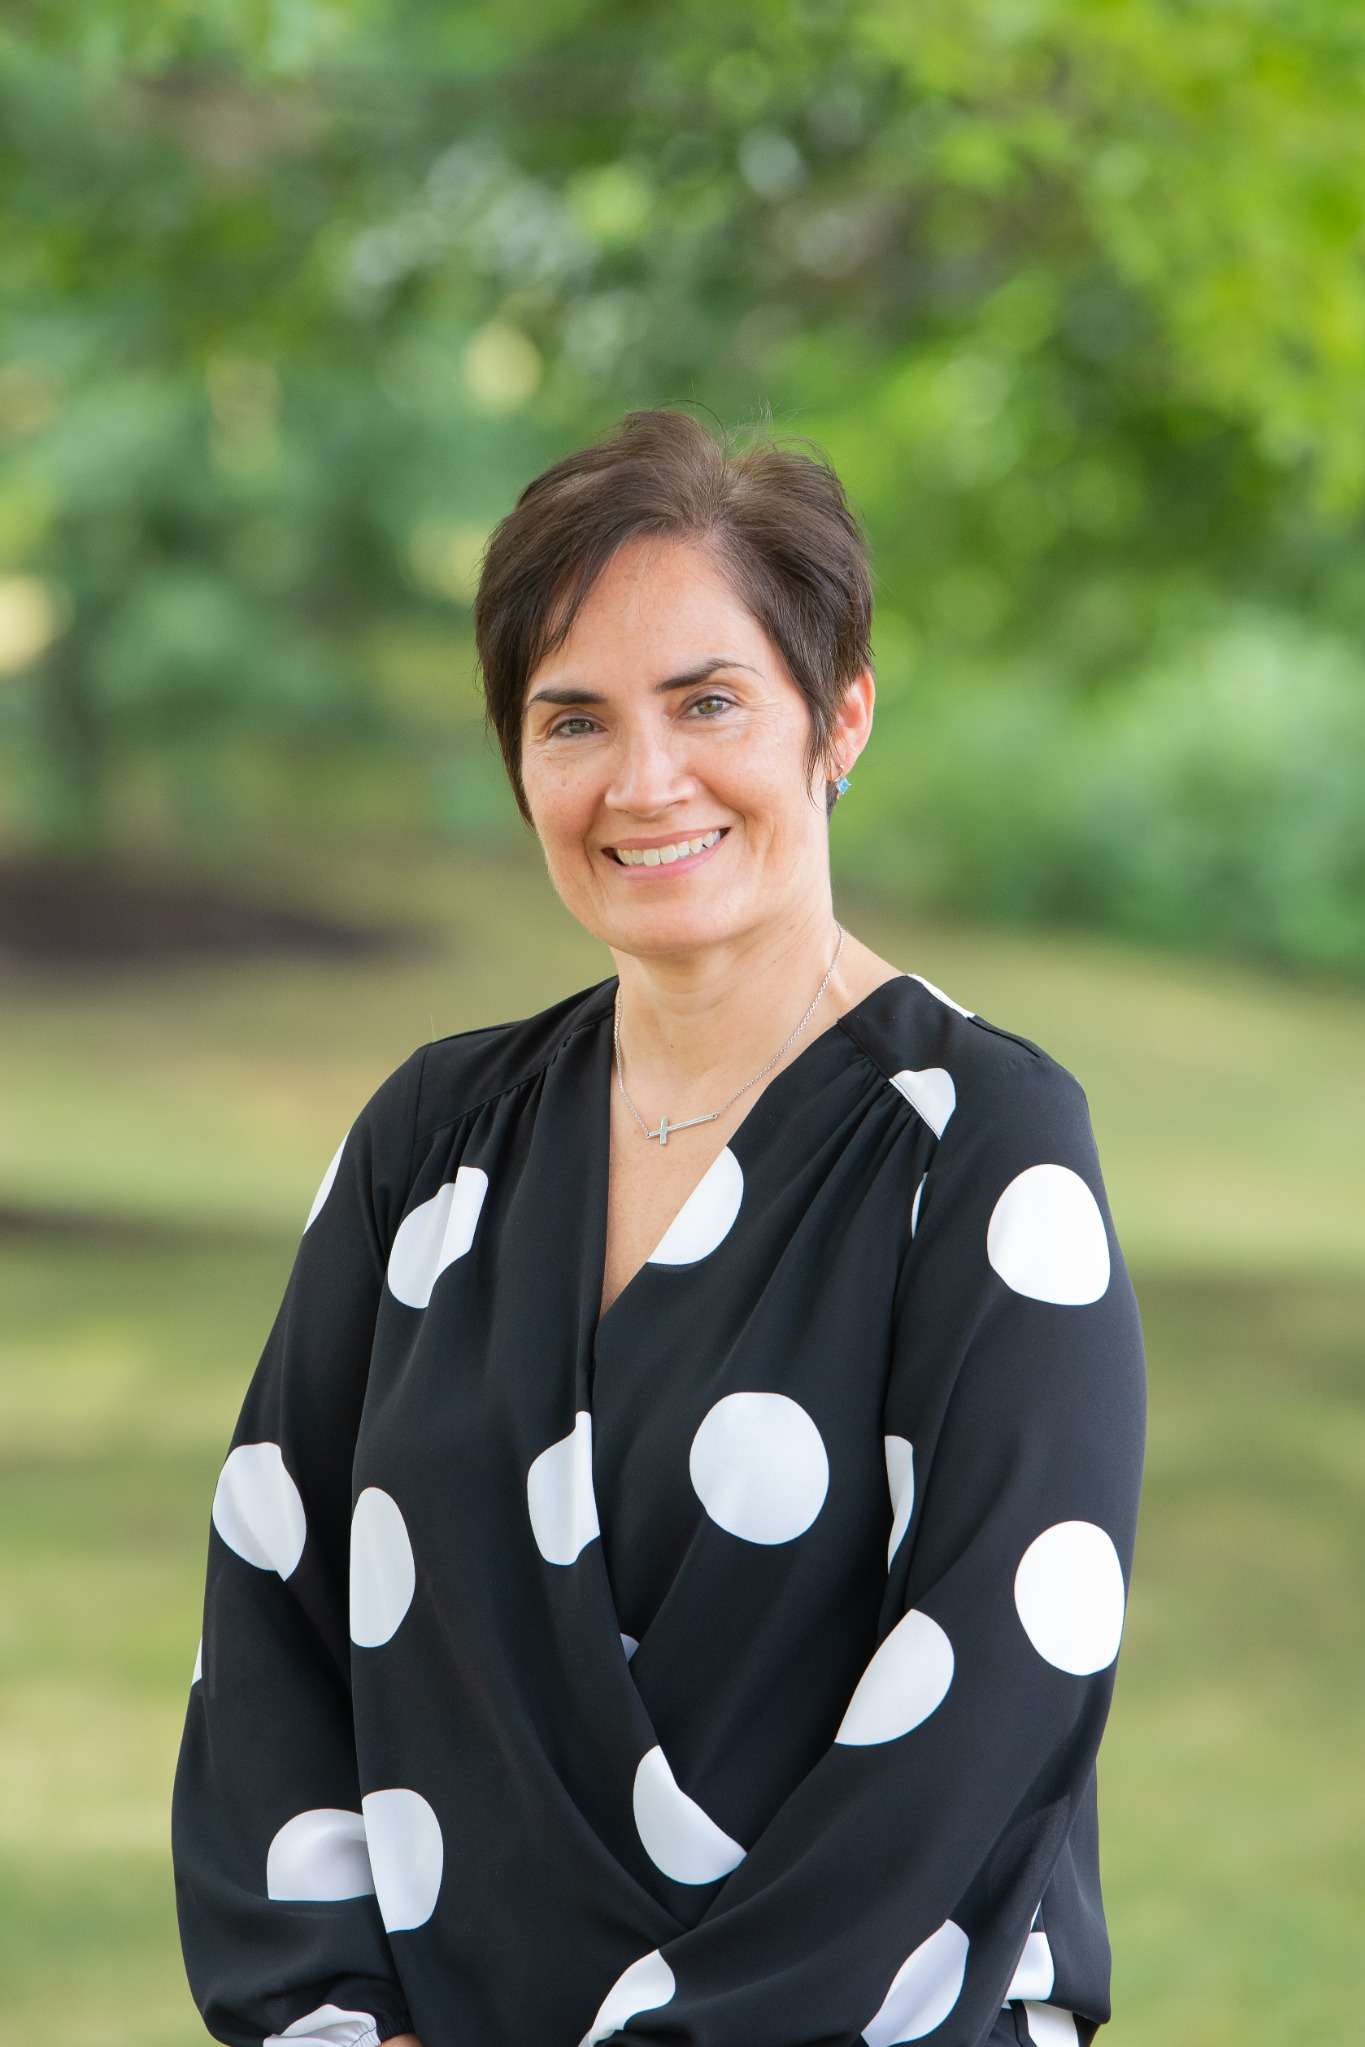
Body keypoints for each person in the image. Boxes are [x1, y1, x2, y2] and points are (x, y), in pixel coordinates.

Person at [171, 406, 1147, 2047]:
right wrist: (337, 2019)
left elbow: (991, 1703)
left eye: (707, 702)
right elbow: (272, 1598)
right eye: (572, 720)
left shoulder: (976, 1148)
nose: (643, 780)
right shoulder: (433, 1141)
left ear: (837, 718)